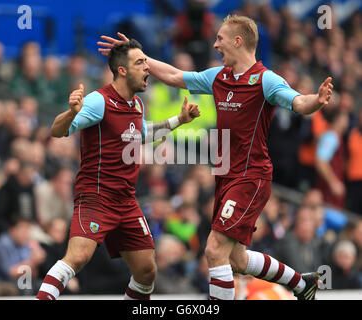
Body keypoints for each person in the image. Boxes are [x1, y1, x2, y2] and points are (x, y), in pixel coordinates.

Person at [97, 15, 333, 300]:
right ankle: (301, 284)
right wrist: (141, 57)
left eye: (220, 39)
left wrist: (316, 101)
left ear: (238, 41)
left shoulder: (265, 80)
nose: (215, 44)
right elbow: (175, 76)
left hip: (251, 176)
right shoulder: (217, 77)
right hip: (226, 176)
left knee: (214, 249)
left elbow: (297, 102)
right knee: (236, 260)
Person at [35, 39, 200, 300]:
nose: (147, 69)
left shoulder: (136, 105)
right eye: (140, 63)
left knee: (147, 271)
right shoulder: (99, 101)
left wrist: (179, 120)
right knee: (78, 257)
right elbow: (56, 131)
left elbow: (142, 133)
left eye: (146, 62)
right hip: (96, 196)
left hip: (125, 200)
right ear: (122, 70)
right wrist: (71, 112)